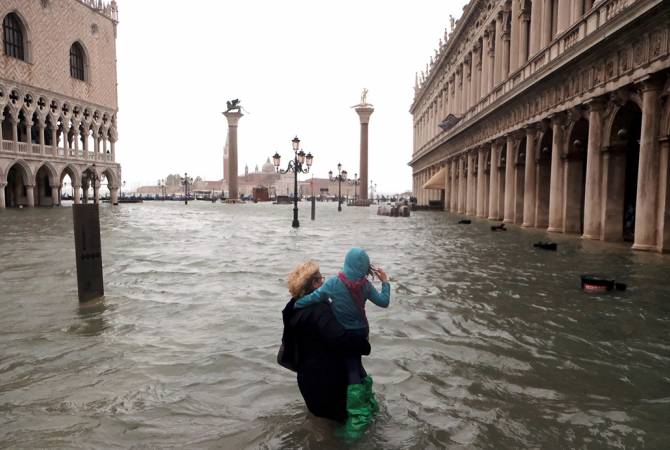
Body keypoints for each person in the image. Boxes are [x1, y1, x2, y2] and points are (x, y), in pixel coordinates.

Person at [293, 248, 390, 436]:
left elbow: (315, 297)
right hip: (362, 333)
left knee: (352, 368)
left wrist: (297, 304)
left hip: (345, 335)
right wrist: (385, 282)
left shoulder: (333, 283)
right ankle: (370, 404)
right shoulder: (365, 286)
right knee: (359, 367)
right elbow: (384, 302)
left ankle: (357, 419)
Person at [280, 260, 372, 425]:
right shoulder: (319, 310)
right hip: (328, 384)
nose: (324, 281)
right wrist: (364, 345)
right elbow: (340, 338)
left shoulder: (293, 308)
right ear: (314, 284)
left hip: (307, 381)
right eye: (320, 278)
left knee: (321, 429)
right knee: (342, 431)